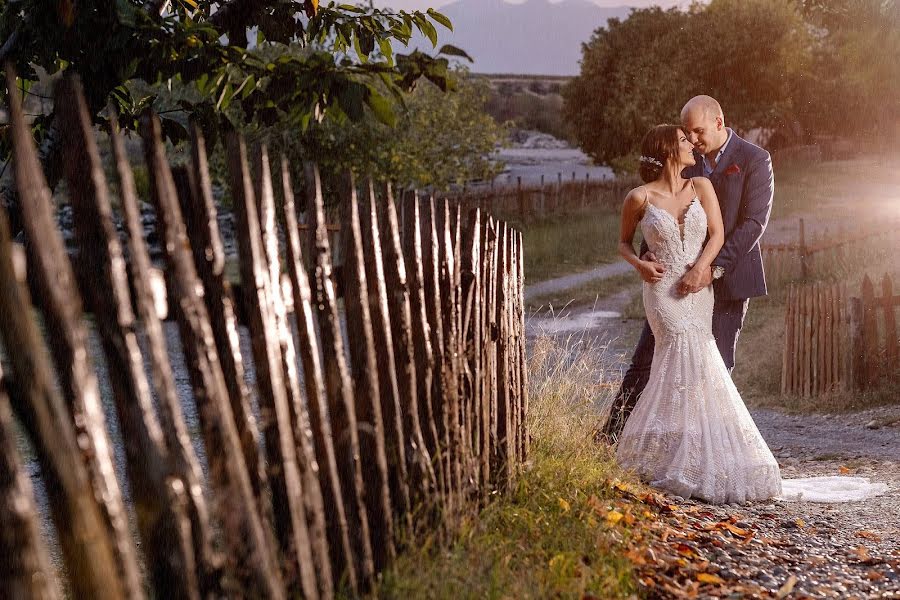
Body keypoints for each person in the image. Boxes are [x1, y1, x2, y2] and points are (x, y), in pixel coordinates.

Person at [611, 123, 782, 503]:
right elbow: (623, 243)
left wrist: (702, 268)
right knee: (672, 361)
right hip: (662, 293)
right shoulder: (639, 197)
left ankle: (700, 454)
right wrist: (640, 265)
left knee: (705, 362)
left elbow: (719, 234)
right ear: (668, 150)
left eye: (694, 135)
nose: (691, 143)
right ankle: (666, 454)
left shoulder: (702, 185)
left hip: (700, 287)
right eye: (684, 140)